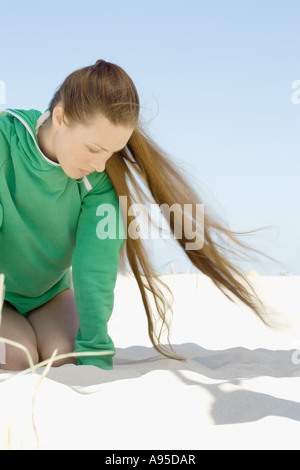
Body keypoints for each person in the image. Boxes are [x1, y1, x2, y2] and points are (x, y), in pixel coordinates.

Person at [0, 60, 268, 371]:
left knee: (66, 356)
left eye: (111, 153)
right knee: (17, 357)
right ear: (60, 117)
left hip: (46, 295)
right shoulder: (5, 143)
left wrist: (96, 354)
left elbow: (95, 267)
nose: (101, 166)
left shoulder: (101, 180)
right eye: (93, 148)